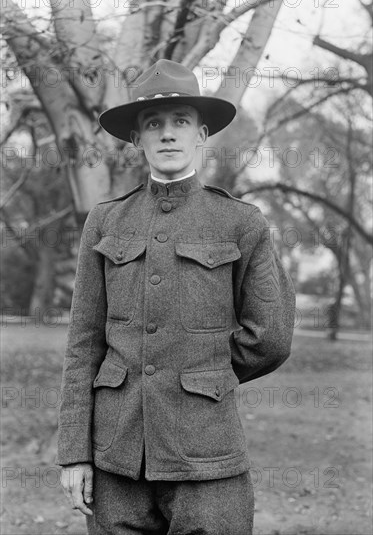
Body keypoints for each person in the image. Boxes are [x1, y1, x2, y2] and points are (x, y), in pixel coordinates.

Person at [57, 59, 296, 534]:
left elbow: (270, 336)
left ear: (201, 134)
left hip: (208, 458)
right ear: (136, 139)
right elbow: (84, 342)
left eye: (180, 122)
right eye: (153, 124)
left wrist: (203, 372)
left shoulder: (240, 223)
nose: (167, 135)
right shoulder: (105, 222)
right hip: (116, 456)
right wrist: (74, 454)